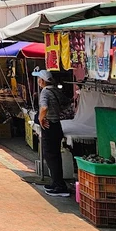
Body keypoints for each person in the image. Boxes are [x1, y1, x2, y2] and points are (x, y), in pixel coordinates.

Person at [33, 68, 70, 197]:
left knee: (50, 156)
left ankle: (60, 186)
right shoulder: (55, 90)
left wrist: (41, 119)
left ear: (42, 81)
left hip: (49, 126)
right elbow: (66, 103)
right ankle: (56, 183)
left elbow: (44, 107)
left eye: (39, 79)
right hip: (57, 125)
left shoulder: (44, 92)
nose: (38, 81)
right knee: (55, 156)